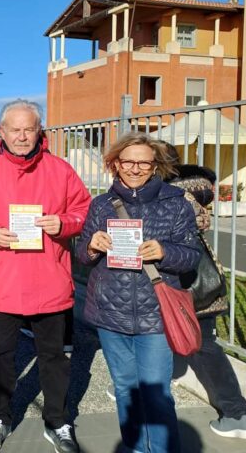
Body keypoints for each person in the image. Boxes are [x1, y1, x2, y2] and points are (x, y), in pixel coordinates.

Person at [0, 99, 91, 453]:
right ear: (2, 132)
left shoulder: (61, 170)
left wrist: (64, 223)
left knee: (54, 358)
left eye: (29, 129)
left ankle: (58, 421)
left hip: (50, 282)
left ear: (40, 132)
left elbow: (84, 210)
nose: (22, 136)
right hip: (4, 282)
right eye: (15, 129)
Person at [76, 132, 201, 453]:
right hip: (109, 313)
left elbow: (192, 256)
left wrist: (163, 250)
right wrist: (91, 245)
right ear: (114, 163)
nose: (135, 168)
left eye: (143, 163)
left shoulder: (175, 203)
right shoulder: (101, 204)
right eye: (128, 161)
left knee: (157, 394)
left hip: (156, 315)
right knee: (126, 392)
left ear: (155, 165)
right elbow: (81, 254)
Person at [159, 142, 246, 440]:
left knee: (178, 338)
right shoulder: (196, 188)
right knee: (204, 343)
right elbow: (201, 223)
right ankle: (237, 414)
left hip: (177, 277)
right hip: (204, 276)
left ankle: (235, 412)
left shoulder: (168, 192)